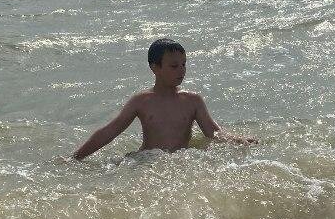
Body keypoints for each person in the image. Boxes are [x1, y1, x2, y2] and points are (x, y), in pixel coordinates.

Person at [72, 38, 255, 160]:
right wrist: (76, 158)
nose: (181, 70)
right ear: (155, 67)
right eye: (174, 66)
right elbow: (109, 131)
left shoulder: (193, 101)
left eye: (184, 64)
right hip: (147, 160)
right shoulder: (141, 101)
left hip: (178, 162)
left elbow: (214, 133)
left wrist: (240, 140)